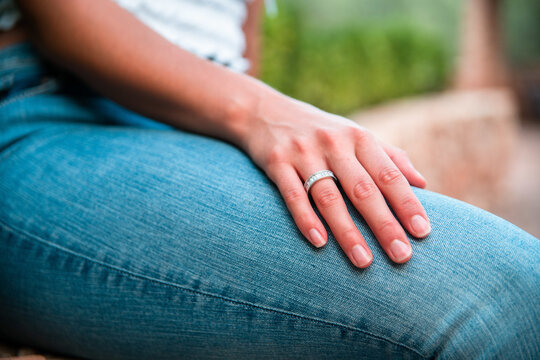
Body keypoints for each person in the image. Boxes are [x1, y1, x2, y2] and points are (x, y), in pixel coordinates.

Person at [0, 0, 538, 359]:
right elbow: (65, 17)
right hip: (45, 110)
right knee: (501, 300)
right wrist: (259, 112)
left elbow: (238, 34)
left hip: (203, 120)